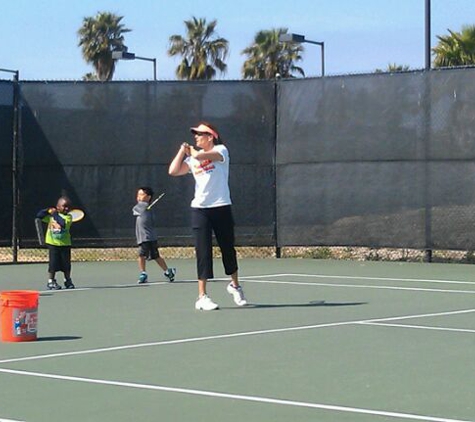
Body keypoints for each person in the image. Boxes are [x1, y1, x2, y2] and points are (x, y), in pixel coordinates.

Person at [168, 121, 247, 310]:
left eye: (200, 134)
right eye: (195, 134)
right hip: (200, 210)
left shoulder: (221, 150)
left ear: (210, 137)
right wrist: (182, 151)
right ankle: (202, 296)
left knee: (228, 249)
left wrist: (193, 152)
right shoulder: (192, 159)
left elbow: (203, 155)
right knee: (203, 252)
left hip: (221, 207)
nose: (196, 137)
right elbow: (173, 171)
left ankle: (235, 285)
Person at [133, 186, 176, 284]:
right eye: (138, 194)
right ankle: (168, 271)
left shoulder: (142, 206)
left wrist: (145, 206)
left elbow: (135, 210)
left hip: (147, 237)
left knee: (144, 255)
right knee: (152, 256)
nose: (139, 197)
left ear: (148, 197)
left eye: (141, 194)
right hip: (144, 237)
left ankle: (143, 274)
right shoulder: (144, 207)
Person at [36, 196, 75, 290]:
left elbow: (62, 224)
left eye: (68, 207)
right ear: (58, 207)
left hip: (65, 244)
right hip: (53, 244)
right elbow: (39, 215)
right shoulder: (51, 216)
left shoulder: (68, 217)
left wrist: (54, 214)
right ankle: (51, 281)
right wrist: (47, 210)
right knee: (53, 264)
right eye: (64, 206)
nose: (67, 208)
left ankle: (68, 280)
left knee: (66, 265)